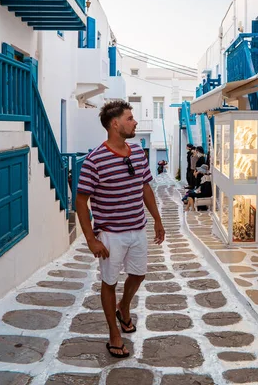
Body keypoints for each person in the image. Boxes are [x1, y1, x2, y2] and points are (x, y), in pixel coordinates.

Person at [76, 100, 165, 359]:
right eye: (130, 118)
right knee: (109, 282)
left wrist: (157, 220)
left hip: (137, 229)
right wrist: (91, 239)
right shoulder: (94, 160)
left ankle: (124, 306)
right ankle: (114, 333)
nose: (135, 121)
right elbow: (81, 202)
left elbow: (145, 187)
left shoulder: (138, 152)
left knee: (138, 275)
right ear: (115, 124)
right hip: (110, 234)